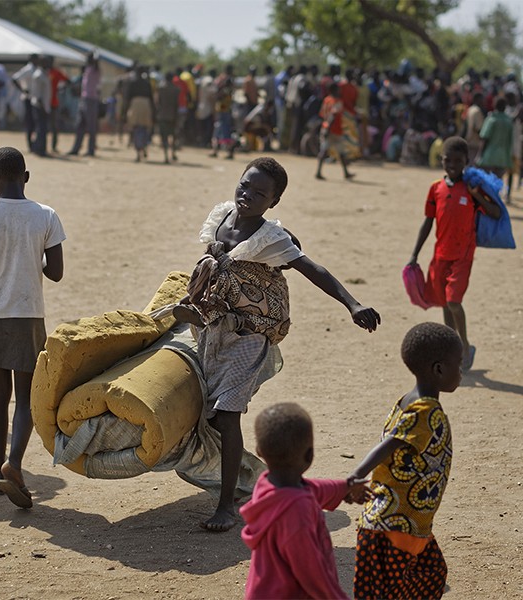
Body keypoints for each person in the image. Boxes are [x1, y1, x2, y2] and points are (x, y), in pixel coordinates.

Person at [173, 156, 380, 531]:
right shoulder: (220, 217)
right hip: (216, 326)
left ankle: (225, 507)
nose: (247, 195)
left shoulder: (271, 238)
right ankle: (254, 479)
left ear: (274, 202)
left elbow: (312, 269)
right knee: (213, 415)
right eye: (244, 185)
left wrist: (353, 303)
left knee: (228, 411)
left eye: (259, 193)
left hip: (252, 333)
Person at [0, 147, 65, 508]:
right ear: (27, 177)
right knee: (25, 396)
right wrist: (28, 252)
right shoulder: (46, 216)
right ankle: (14, 463)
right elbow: (55, 272)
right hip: (28, 314)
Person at [349, 322, 463, 599]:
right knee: (418, 584)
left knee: (431, 577)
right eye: (458, 366)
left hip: (401, 523)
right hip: (395, 526)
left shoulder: (408, 402)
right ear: (438, 369)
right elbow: (390, 443)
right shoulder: (425, 409)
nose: (461, 373)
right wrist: (357, 474)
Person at [240, 402, 370, 599]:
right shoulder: (296, 511)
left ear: (259, 451)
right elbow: (311, 573)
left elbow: (312, 489)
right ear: (309, 455)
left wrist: (344, 488)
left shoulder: (268, 485)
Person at [408, 136, 501, 371]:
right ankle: (454, 348)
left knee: (453, 301)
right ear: (442, 160)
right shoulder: (436, 189)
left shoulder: (471, 190)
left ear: (466, 162)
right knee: (444, 304)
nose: (452, 165)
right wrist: (415, 254)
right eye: (448, 160)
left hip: (463, 255)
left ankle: (465, 345)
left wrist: (477, 195)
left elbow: (496, 213)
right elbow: (428, 222)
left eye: (458, 161)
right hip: (440, 254)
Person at [315, 82, 355, 180]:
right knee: (340, 152)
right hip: (335, 130)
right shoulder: (337, 101)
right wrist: (329, 128)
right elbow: (333, 115)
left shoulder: (326, 100)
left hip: (326, 128)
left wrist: (325, 128)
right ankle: (345, 173)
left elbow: (322, 115)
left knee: (324, 151)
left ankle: (319, 172)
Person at [67, 52, 101, 157]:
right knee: (79, 126)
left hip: (91, 100)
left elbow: (96, 63)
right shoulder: (87, 69)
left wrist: (94, 57)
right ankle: (76, 148)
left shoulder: (96, 70)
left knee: (91, 127)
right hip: (84, 99)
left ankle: (91, 150)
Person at [476, 96, 515, 180]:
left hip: (489, 156)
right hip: (503, 157)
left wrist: (479, 155)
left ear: (494, 105)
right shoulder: (508, 121)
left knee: (486, 182)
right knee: (497, 182)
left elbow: (484, 138)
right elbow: (510, 140)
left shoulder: (491, 119)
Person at [125, 65, 155, 162]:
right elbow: (151, 98)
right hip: (146, 106)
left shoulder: (133, 83)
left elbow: (128, 97)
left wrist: (125, 110)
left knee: (136, 128)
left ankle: (138, 152)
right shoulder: (147, 83)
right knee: (145, 128)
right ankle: (144, 147)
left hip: (135, 105)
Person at [11, 54, 38, 151]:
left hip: (36, 99)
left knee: (35, 122)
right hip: (28, 99)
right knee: (30, 122)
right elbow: (14, 78)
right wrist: (23, 90)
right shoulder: (28, 69)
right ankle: (30, 144)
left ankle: (34, 143)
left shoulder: (37, 69)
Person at [211, 65, 236, 159]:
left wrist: (219, 94)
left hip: (223, 110)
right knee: (222, 130)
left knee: (222, 130)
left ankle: (222, 151)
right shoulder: (228, 81)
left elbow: (219, 94)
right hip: (224, 109)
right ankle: (217, 150)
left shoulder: (224, 81)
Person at [156, 71, 180, 163]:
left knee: (164, 137)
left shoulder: (161, 89)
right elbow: (177, 104)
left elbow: (158, 103)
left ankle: (166, 156)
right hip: (173, 115)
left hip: (162, 115)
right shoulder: (176, 89)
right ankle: (173, 153)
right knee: (173, 136)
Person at [45, 56, 68, 153]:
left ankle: (53, 147)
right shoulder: (42, 72)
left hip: (53, 103)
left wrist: (61, 89)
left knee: (54, 126)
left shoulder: (56, 72)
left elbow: (67, 80)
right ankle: (42, 146)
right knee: (43, 126)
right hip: (43, 103)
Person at [29, 58, 51, 157]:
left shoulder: (44, 74)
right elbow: (37, 94)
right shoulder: (38, 75)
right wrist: (42, 107)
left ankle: (41, 148)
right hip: (39, 106)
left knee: (42, 128)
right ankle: (39, 149)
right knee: (41, 129)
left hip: (43, 106)